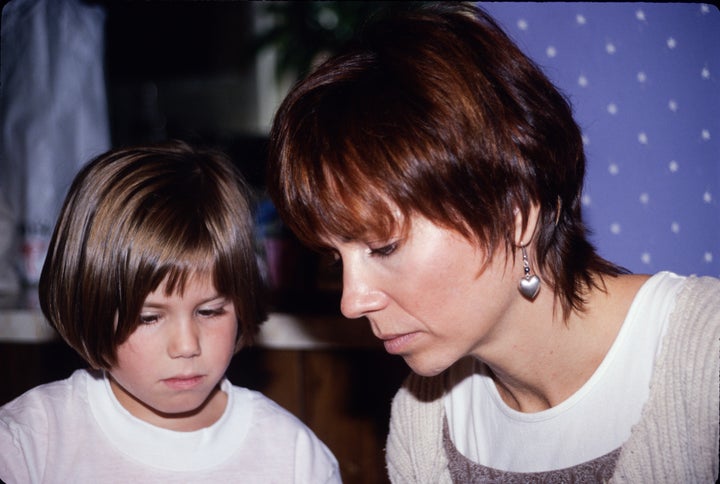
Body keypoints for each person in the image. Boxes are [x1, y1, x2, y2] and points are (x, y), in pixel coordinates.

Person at [266, 3, 719, 482]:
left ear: (517, 213)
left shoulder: (706, 357)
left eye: (384, 247)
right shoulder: (425, 422)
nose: (352, 301)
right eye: (338, 259)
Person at [0, 140, 341, 483]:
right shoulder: (27, 443)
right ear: (88, 307)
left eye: (209, 311)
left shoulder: (294, 457)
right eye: (149, 317)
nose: (186, 345)